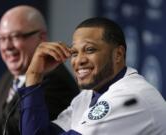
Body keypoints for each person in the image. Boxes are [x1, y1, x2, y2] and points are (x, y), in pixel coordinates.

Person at [18, 17, 166, 135]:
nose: (79, 60)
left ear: (118, 54)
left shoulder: (131, 96)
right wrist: (34, 75)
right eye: (74, 53)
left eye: (89, 50)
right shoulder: (87, 96)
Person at [0, 5, 79, 135]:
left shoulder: (55, 80)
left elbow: (21, 128)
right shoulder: (8, 78)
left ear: (41, 38)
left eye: (15, 36)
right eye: (2, 38)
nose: (7, 46)